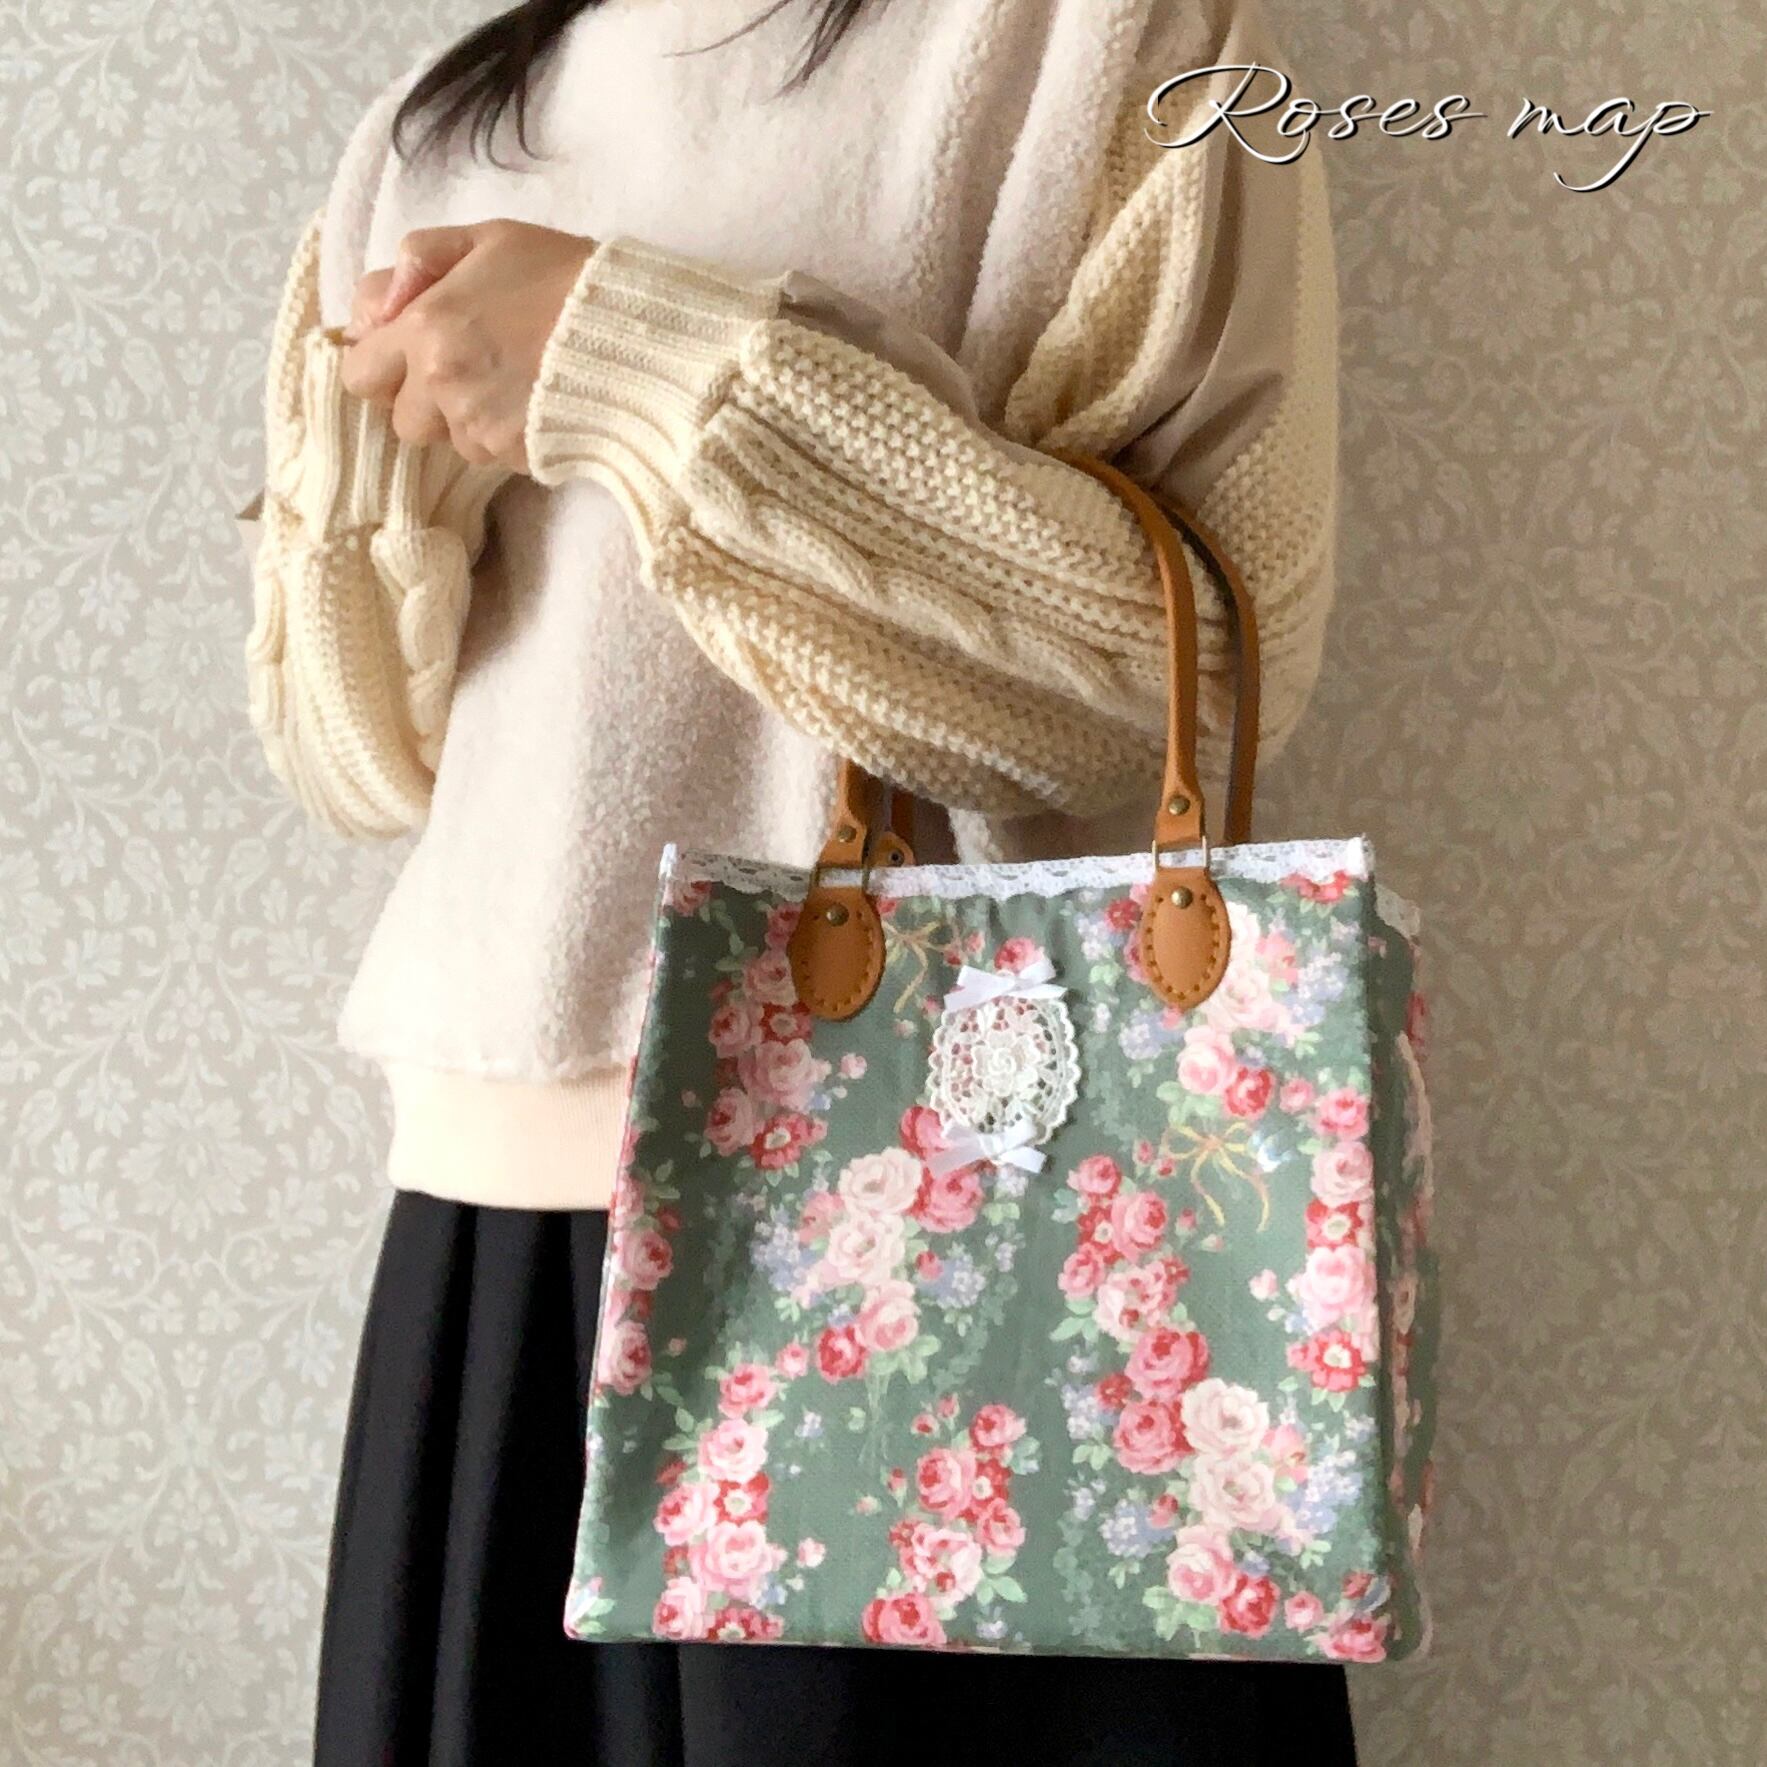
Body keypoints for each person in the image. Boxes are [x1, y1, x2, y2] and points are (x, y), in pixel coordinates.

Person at [243, 0, 1349, 1760]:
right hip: (507, 1230)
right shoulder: (437, 127)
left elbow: (1184, 675)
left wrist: (637, 364)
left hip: (966, 1213)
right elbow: (359, 762)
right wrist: (381, 482)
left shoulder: (1105, 36)